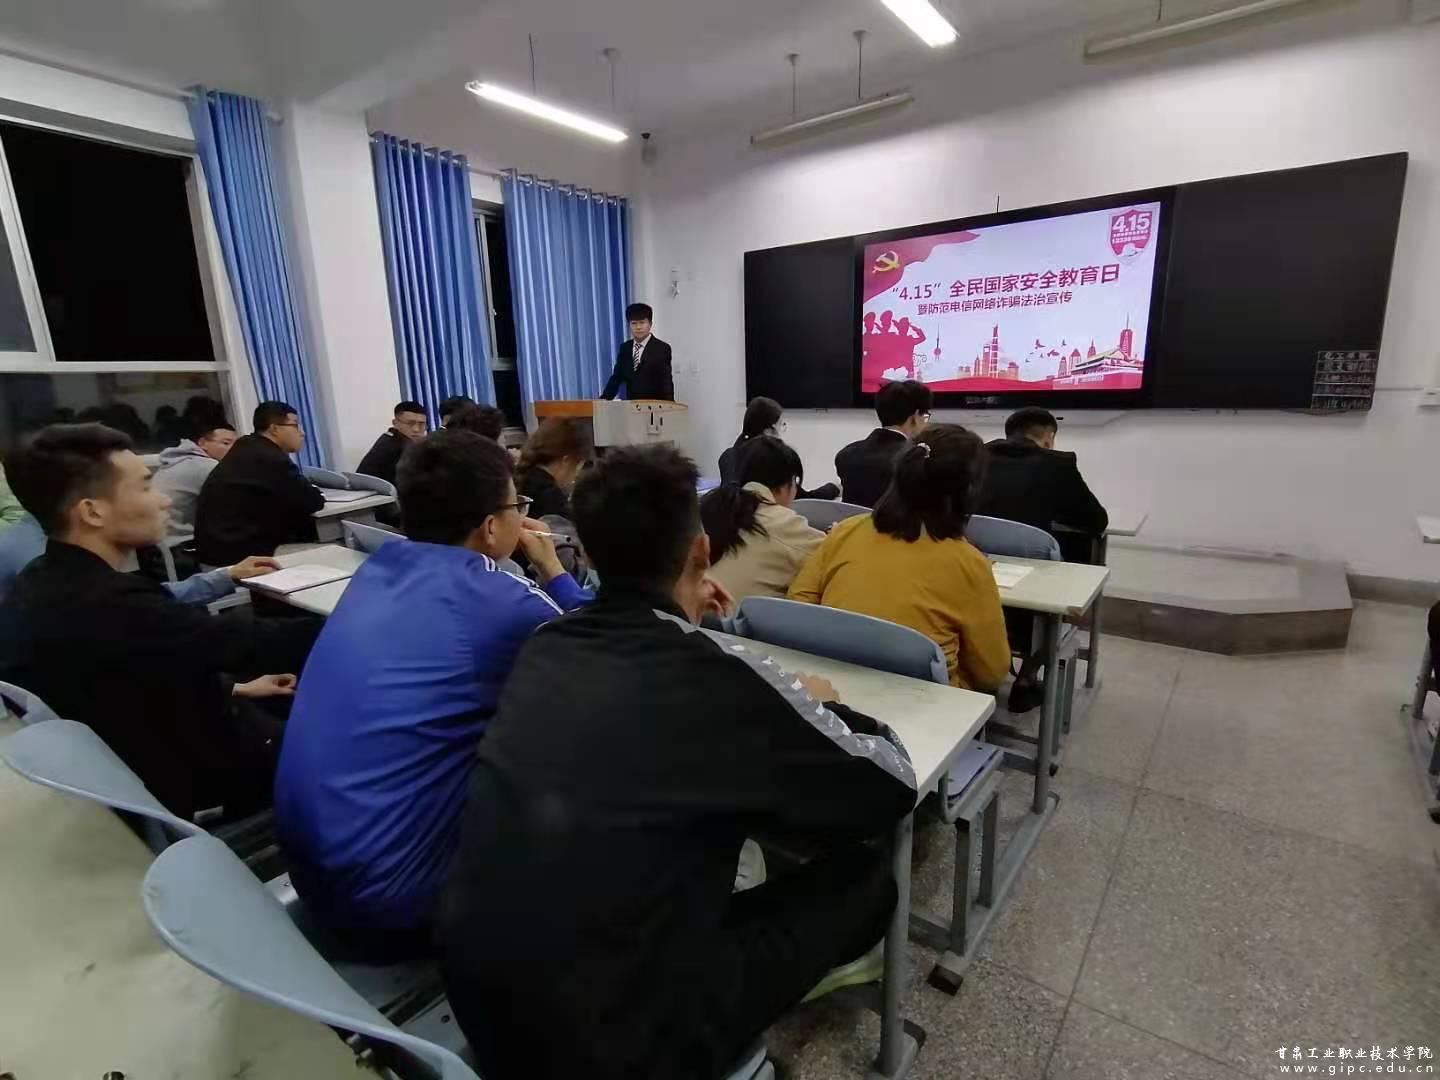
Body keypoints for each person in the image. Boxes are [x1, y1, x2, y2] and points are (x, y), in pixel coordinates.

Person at [438, 444, 916, 1080]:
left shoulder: (545, 643)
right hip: (613, 1046)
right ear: (701, 550)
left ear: (587, 553)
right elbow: (891, 785)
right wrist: (825, 703)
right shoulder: (723, 680)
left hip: (476, 999)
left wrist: (689, 624)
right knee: (866, 876)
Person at [274, 429, 589, 938]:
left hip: (315, 873)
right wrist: (553, 570)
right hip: (397, 898)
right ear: (492, 526)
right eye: (517, 505)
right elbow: (605, 647)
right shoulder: (503, 599)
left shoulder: (377, 569)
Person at [0, 424, 317, 822]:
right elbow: (245, 640)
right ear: (92, 511)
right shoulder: (111, 603)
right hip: (195, 776)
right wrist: (355, 619)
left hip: (144, 741)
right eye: (145, 486)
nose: (164, 500)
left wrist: (237, 688)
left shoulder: (43, 578)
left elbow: (126, 671)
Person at [792, 423, 1010, 692]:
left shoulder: (846, 530)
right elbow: (993, 672)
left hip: (831, 685)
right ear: (969, 491)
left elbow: (799, 603)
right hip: (927, 700)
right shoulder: (970, 563)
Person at [195, 401, 324, 565]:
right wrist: (316, 493)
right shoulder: (270, 458)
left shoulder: (247, 446)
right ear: (274, 429)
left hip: (216, 546)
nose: (302, 433)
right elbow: (312, 502)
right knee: (330, 548)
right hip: (238, 552)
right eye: (295, 425)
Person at [701, 435, 825, 603]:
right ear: (786, 484)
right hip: (735, 618)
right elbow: (834, 553)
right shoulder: (782, 523)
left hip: (692, 614)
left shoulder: (713, 509)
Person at [978, 406, 1108, 563]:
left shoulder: (975, 456)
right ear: (1049, 437)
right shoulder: (1058, 463)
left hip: (978, 557)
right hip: (1034, 563)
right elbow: (1096, 521)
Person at [835, 379, 933, 508]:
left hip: (855, 521)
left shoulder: (847, 454)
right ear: (914, 416)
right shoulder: (914, 459)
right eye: (925, 416)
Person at [718, 397, 839, 500]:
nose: (782, 430)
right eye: (781, 425)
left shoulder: (727, 456)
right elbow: (803, 499)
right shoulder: (771, 460)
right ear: (769, 430)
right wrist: (834, 488)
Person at [152, 420, 237, 543]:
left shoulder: (177, 460)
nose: (234, 449)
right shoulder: (206, 466)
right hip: (180, 542)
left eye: (237, 444)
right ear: (202, 443)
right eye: (226, 443)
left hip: (159, 540)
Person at [515, 418, 592, 521]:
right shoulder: (551, 498)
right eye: (577, 467)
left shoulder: (521, 480)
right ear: (566, 461)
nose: (575, 477)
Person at [600, 302, 674, 402]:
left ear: (650, 324)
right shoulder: (625, 348)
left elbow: (666, 382)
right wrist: (602, 401)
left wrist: (669, 405)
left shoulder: (662, 348)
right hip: (632, 406)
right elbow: (616, 378)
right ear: (629, 325)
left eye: (642, 323)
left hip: (654, 406)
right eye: (634, 323)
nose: (638, 327)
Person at [355, 401, 428, 486]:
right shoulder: (398, 446)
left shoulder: (389, 437)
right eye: (410, 423)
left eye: (421, 424)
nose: (416, 429)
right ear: (395, 423)